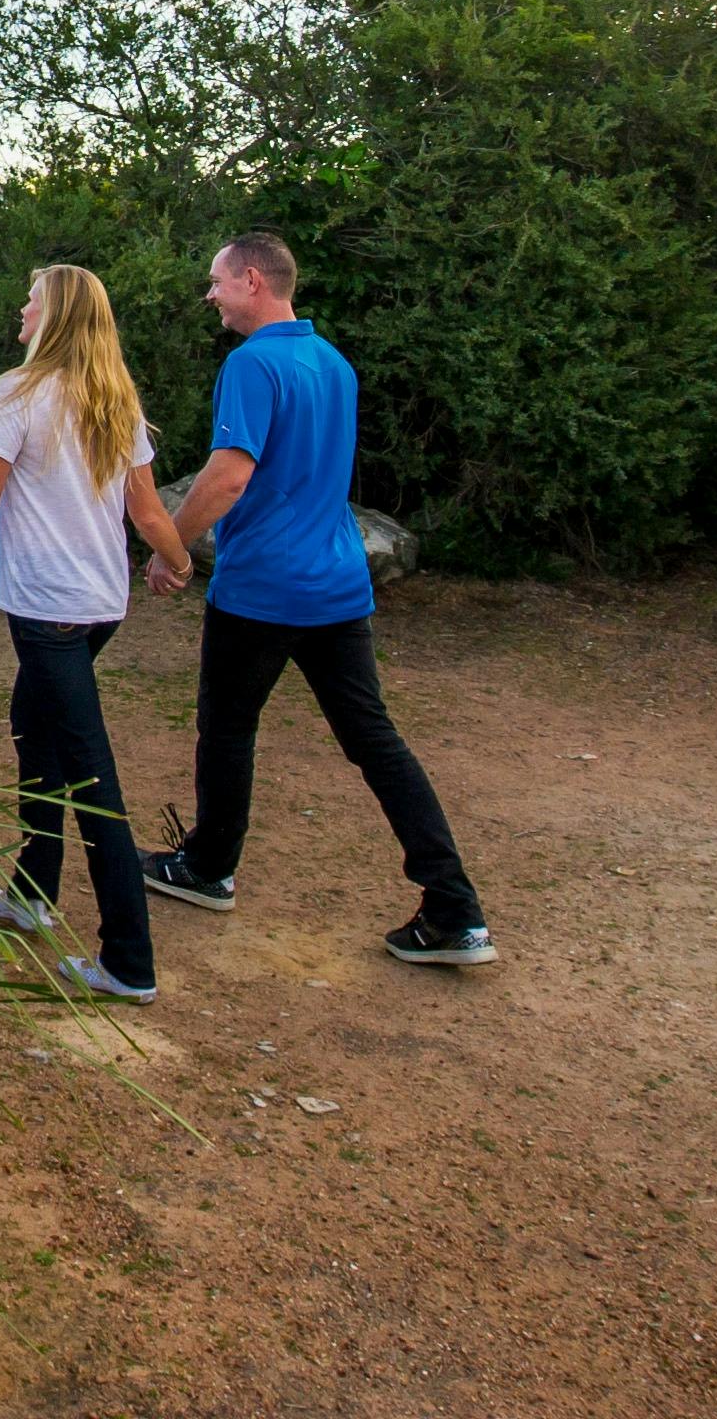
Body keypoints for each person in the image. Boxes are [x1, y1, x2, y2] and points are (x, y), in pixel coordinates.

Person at [144, 230, 493, 966]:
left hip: (262, 589)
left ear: (251, 280)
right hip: (337, 583)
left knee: (227, 728)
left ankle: (208, 867)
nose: (209, 295)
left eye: (216, 281)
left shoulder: (252, 363)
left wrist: (169, 547)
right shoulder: (332, 362)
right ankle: (455, 911)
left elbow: (229, 474)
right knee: (375, 741)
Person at [0, 264, 198, 1003]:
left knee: (91, 774)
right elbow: (146, 511)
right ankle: (32, 892)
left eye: (32, 301)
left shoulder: (18, 393)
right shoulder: (113, 397)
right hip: (99, 604)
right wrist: (177, 559)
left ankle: (129, 962)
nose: (22, 309)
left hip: (49, 610)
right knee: (33, 727)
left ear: (56, 315)